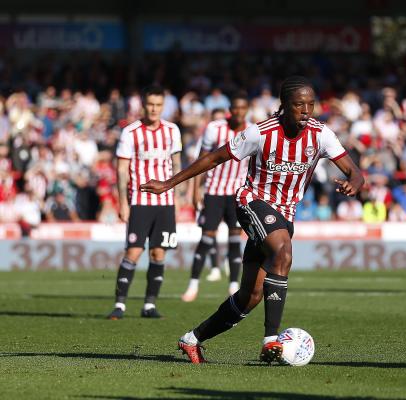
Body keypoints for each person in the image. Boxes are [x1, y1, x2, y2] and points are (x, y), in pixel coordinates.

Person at [140, 76, 364, 364]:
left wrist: (355, 183)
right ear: (284, 106)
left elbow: (354, 171)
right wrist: (169, 183)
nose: (306, 110)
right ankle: (271, 340)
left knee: (251, 295)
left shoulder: (321, 135)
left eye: (311, 104)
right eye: (299, 105)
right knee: (283, 252)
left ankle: (192, 339)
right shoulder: (260, 133)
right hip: (251, 202)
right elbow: (214, 158)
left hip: (284, 214)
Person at [107, 85, 183, 320]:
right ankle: (119, 305)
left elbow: (177, 165)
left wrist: (178, 198)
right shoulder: (131, 132)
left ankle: (149, 305)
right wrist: (122, 202)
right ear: (143, 105)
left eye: (158, 105)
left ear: (163, 106)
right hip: (139, 201)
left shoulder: (172, 130)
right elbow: (121, 170)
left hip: (166, 202)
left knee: (159, 254)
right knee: (133, 252)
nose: (154, 109)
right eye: (150, 104)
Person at [181, 93, 250, 302]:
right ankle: (193, 284)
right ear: (230, 109)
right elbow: (201, 160)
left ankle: (233, 286)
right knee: (207, 237)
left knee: (234, 240)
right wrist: (194, 190)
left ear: (246, 110)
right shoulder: (215, 128)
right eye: (235, 108)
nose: (238, 112)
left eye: (242, 108)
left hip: (237, 194)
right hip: (213, 191)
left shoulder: (253, 131)